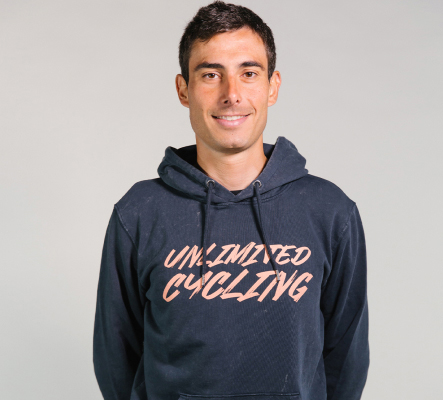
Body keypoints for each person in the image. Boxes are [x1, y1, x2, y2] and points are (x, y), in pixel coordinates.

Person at [93, 1, 370, 399]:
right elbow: (116, 359)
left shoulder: (330, 211)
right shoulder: (138, 213)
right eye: (211, 74)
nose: (232, 94)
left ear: (272, 87)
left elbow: (346, 359)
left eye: (249, 73)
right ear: (184, 90)